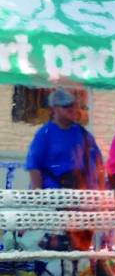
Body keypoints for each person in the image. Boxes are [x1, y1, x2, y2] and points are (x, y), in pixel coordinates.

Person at [25, 89, 105, 254]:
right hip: (54, 200)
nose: (72, 109)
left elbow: (97, 166)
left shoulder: (84, 135)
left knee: (80, 249)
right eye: (66, 106)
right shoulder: (44, 134)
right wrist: (39, 198)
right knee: (56, 250)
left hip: (81, 201)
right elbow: (34, 166)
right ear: (54, 109)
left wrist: (98, 196)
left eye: (74, 106)